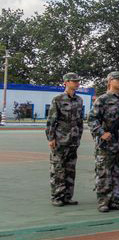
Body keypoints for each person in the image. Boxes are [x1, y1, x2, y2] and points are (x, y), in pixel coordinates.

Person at [88, 71, 119, 212]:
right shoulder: (102, 99)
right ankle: (103, 201)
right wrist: (101, 133)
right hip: (107, 141)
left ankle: (115, 200)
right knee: (104, 172)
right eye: (118, 79)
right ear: (110, 81)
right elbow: (92, 119)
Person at [45, 72, 84, 207]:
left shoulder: (79, 100)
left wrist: (79, 136)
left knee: (70, 169)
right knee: (58, 169)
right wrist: (51, 138)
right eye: (74, 81)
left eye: (77, 81)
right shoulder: (58, 99)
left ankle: (67, 196)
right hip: (60, 139)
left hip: (73, 140)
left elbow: (80, 121)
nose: (77, 83)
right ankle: (57, 196)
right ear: (66, 83)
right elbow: (51, 120)